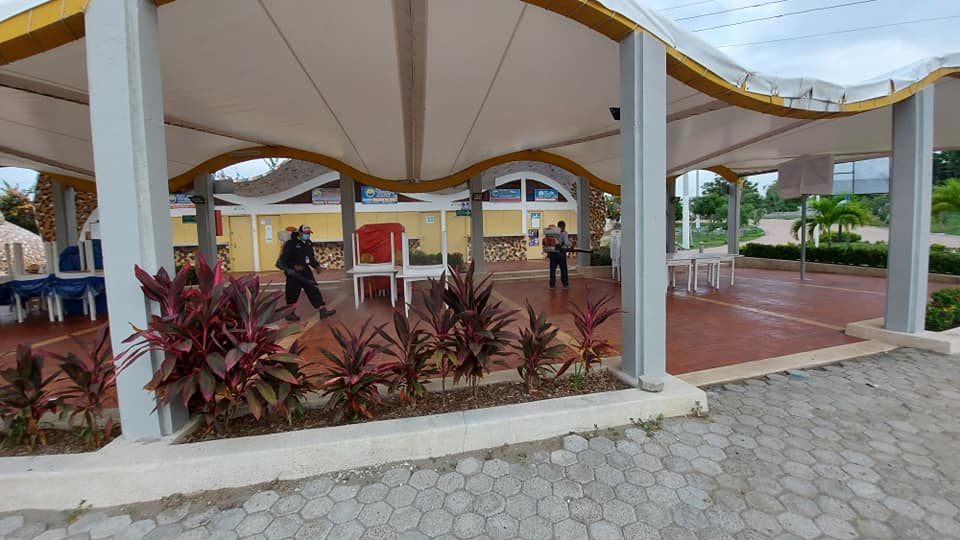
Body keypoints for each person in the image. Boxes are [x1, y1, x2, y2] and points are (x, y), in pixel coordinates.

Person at [276, 225, 336, 321]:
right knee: (292, 293)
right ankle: (290, 313)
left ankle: (322, 311)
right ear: (300, 233)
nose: (307, 235)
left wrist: (316, 266)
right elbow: (283, 260)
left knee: (313, 289)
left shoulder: (308, 243)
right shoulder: (290, 244)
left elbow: (310, 257)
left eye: (309, 233)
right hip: (293, 274)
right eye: (305, 233)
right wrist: (294, 266)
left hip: (305, 271)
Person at [545, 221, 571, 290]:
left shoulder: (553, 233)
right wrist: (571, 244)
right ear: (563, 226)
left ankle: (552, 285)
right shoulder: (564, 233)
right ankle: (565, 285)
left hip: (552, 254)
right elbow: (566, 242)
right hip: (561, 254)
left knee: (552, 270)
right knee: (563, 269)